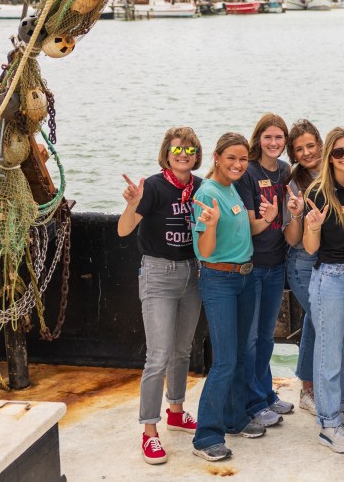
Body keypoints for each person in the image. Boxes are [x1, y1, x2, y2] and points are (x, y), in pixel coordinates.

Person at [118, 126, 204, 465]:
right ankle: (149, 431)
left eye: (190, 150)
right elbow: (124, 230)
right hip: (158, 275)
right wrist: (133, 204)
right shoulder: (153, 187)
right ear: (166, 153)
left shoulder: (199, 187)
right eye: (177, 150)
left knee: (183, 350)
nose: (183, 156)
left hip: (192, 273)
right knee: (158, 355)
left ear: (197, 155)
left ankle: (176, 410)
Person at [190, 132, 264, 462]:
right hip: (219, 280)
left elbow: (241, 232)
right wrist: (210, 225)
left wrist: (271, 218)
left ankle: (234, 419)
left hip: (244, 279)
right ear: (216, 158)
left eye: (243, 159)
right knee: (223, 361)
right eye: (231, 158)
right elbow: (204, 253)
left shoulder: (231, 188)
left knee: (237, 356)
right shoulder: (207, 194)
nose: (238, 164)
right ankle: (207, 434)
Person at [299, 127, 344, 454]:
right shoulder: (317, 192)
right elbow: (310, 246)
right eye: (339, 152)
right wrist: (312, 227)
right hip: (330, 276)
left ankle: (343, 406)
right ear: (329, 156)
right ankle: (329, 424)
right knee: (328, 352)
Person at [235, 113, 293, 428]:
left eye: (279, 138)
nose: (273, 143)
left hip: (277, 263)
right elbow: (248, 225)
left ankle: (266, 394)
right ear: (259, 138)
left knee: (267, 337)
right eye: (268, 137)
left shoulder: (285, 171)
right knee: (251, 338)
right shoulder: (248, 172)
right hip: (253, 265)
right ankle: (253, 402)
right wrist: (268, 217)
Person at [282, 120, 322, 414]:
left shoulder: (336, 172)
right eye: (299, 149)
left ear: (320, 144)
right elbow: (292, 238)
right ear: (293, 155)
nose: (307, 152)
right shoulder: (294, 184)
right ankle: (310, 389)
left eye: (311, 145)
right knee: (320, 320)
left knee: (316, 321)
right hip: (303, 263)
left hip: (332, 260)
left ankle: (311, 388)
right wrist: (297, 215)